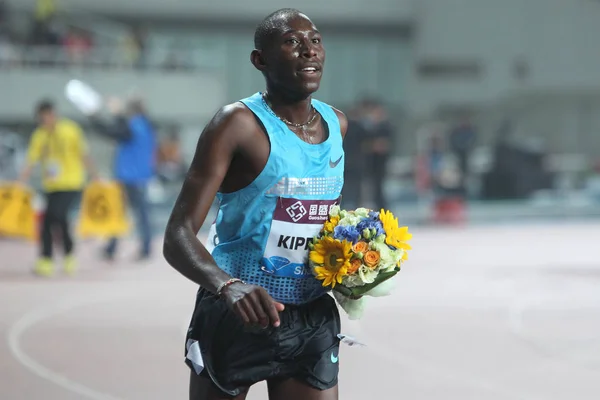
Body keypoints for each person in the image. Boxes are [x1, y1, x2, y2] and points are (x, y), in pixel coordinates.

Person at [163, 9, 347, 400]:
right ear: (259, 59)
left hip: (310, 314)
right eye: (292, 42)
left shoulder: (338, 125)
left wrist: (353, 264)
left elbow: (322, 219)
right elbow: (177, 235)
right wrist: (226, 286)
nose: (308, 51)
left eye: (314, 40)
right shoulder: (236, 125)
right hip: (238, 311)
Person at [19, 100, 97, 276]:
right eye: (42, 118)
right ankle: (46, 259)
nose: (45, 120)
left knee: (58, 215)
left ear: (54, 114)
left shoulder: (71, 130)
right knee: (47, 221)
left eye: (47, 116)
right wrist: (21, 181)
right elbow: (31, 160)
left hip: (71, 182)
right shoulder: (40, 135)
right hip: (52, 185)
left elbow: (84, 154)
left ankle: (68, 255)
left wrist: (95, 177)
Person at [89, 96, 156, 261]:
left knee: (121, 212)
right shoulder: (147, 125)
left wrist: (99, 116)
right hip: (140, 175)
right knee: (139, 213)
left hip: (129, 176)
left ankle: (116, 248)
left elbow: (113, 132)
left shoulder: (134, 125)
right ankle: (140, 248)